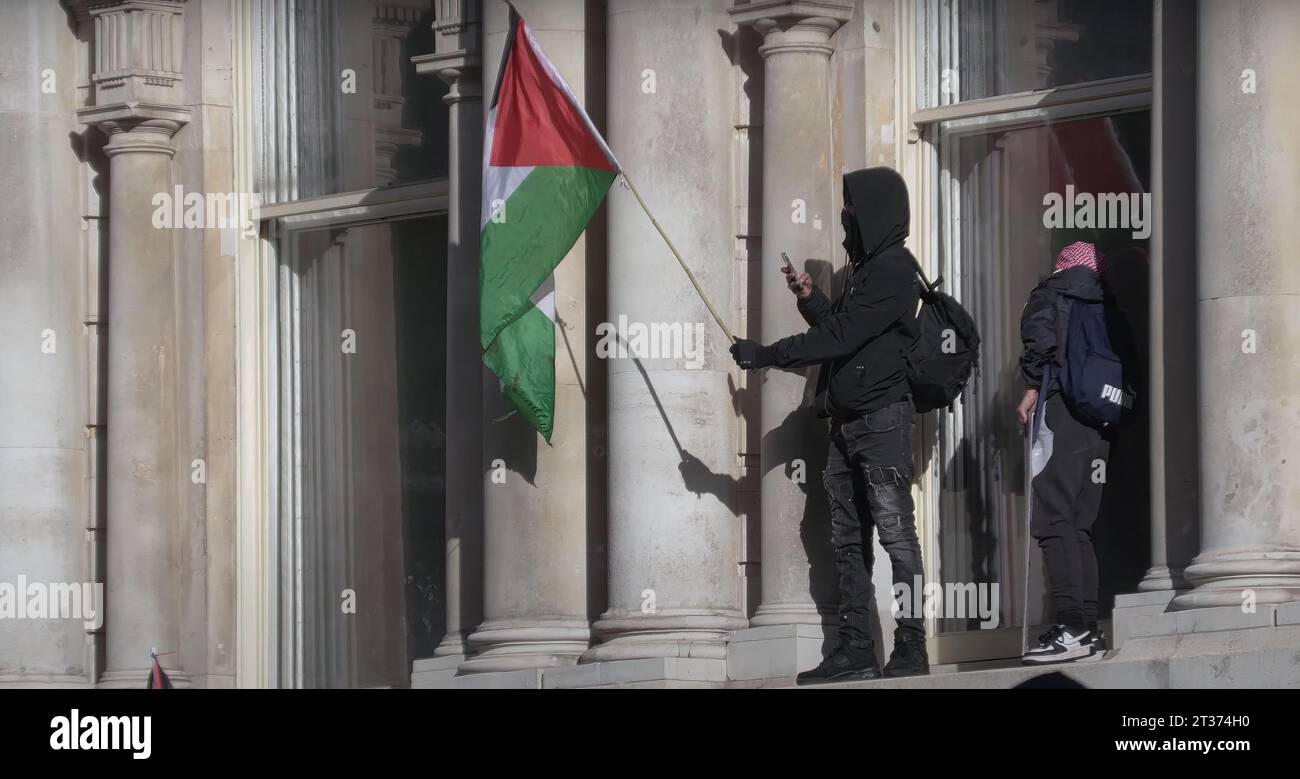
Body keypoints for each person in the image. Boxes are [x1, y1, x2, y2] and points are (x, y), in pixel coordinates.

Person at [730, 167, 927, 684]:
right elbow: (844, 332)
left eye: (853, 208)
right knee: (846, 540)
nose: (847, 218)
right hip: (847, 424)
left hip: (882, 422)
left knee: (895, 536)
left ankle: (911, 646)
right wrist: (810, 297)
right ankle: (856, 650)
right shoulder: (866, 271)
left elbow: (841, 336)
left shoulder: (892, 270)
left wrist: (766, 354)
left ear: (878, 211)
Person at [1015, 241, 1113, 664]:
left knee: (1052, 519)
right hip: (1100, 421)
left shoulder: (1053, 292)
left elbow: (1039, 344)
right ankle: (1088, 629)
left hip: (1062, 409)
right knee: (1078, 524)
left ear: (1062, 265)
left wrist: (1034, 386)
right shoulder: (1107, 302)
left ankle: (1070, 626)